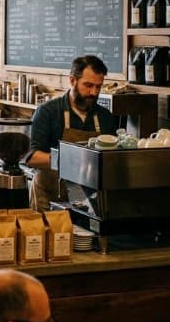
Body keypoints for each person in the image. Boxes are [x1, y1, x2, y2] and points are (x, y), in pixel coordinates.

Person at [25, 55, 118, 212]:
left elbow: (113, 159)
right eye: (88, 85)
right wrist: (72, 160)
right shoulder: (48, 112)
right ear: (72, 80)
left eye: (98, 86)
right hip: (50, 195)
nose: (94, 92)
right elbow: (31, 157)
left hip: (90, 199)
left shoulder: (104, 117)